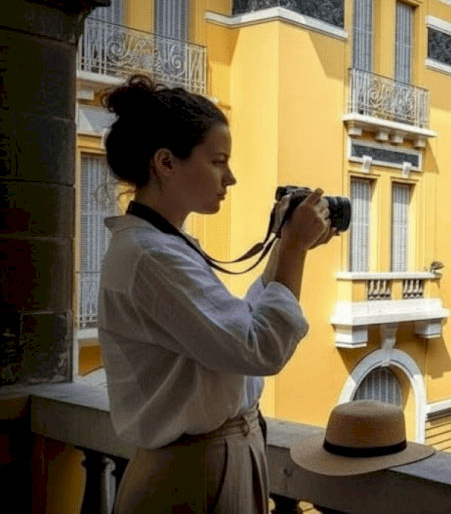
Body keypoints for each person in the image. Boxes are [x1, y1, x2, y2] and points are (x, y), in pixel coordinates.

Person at [96, 75, 333, 513]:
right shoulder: (149, 257)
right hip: (192, 474)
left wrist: (283, 245)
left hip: (203, 463)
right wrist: (295, 247)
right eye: (218, 161)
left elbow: (234, 327)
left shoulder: (158, 245)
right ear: (165, 162)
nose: (231, 178)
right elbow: (259, 347)